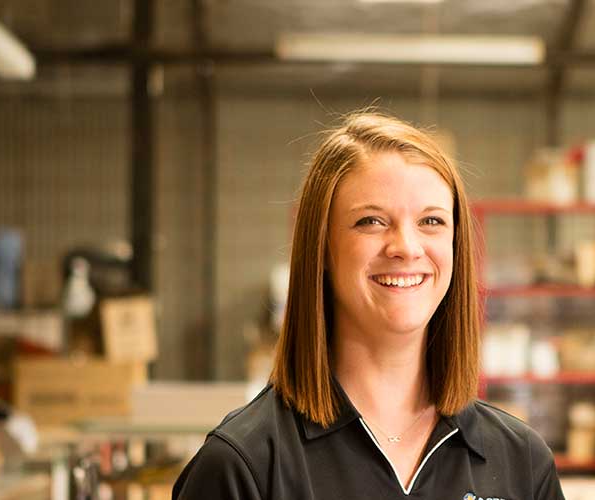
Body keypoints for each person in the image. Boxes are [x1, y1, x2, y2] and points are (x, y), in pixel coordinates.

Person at [173, 111, 564, 500]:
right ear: (321, 247)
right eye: (372, 221)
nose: (406, 247)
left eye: (431, 221)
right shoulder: (244, 466)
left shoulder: (521, 464)